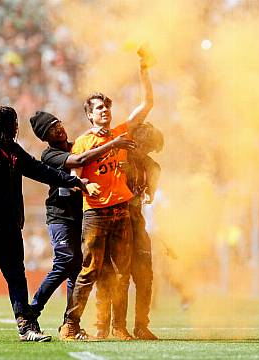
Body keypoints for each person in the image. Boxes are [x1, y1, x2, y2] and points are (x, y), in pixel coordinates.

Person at [0, 106, 88, 343]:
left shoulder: (13, 151)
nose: (15, 128)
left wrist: (71, 180)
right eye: (12, 124)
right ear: (8, 126)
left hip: (10, 228)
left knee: (17, 277)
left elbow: (39, 170)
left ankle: (27, 328)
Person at [59, 45, 154, 341]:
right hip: (96, 215)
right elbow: (74, 175)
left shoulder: (121, 133)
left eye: (107, 107)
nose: (106, 111)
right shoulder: (83, 143)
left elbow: (147, 104)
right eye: (99, 108)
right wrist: (87, 184)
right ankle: (71, 325)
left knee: (122, 274)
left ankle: (119, 327)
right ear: (89, 115)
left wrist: (144, 72)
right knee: (89, 272)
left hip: (121, 212)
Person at [28, 111, 135, 325]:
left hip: (82, 214)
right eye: (51, 129)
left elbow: (85, 148)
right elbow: (81, 159)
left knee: (77, 269)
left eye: (58, 123)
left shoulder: (77, 143)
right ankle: (32, 311)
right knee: (65, 262)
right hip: (60, 215)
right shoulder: (49, 155)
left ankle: (70, 323)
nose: (58, 129)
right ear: (44, 137)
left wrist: (95, 134)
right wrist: (112, 143)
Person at [95, 122, 163, 340]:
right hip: (113, 222)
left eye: (151, 148)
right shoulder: (118, 159)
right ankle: (107, 325)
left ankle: (141, 325)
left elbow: (148, 197)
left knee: (145, 276)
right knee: (113, 276)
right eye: (146, 146)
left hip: (136, 223)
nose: (148, 151)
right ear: (137, 141)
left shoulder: (152, 167)